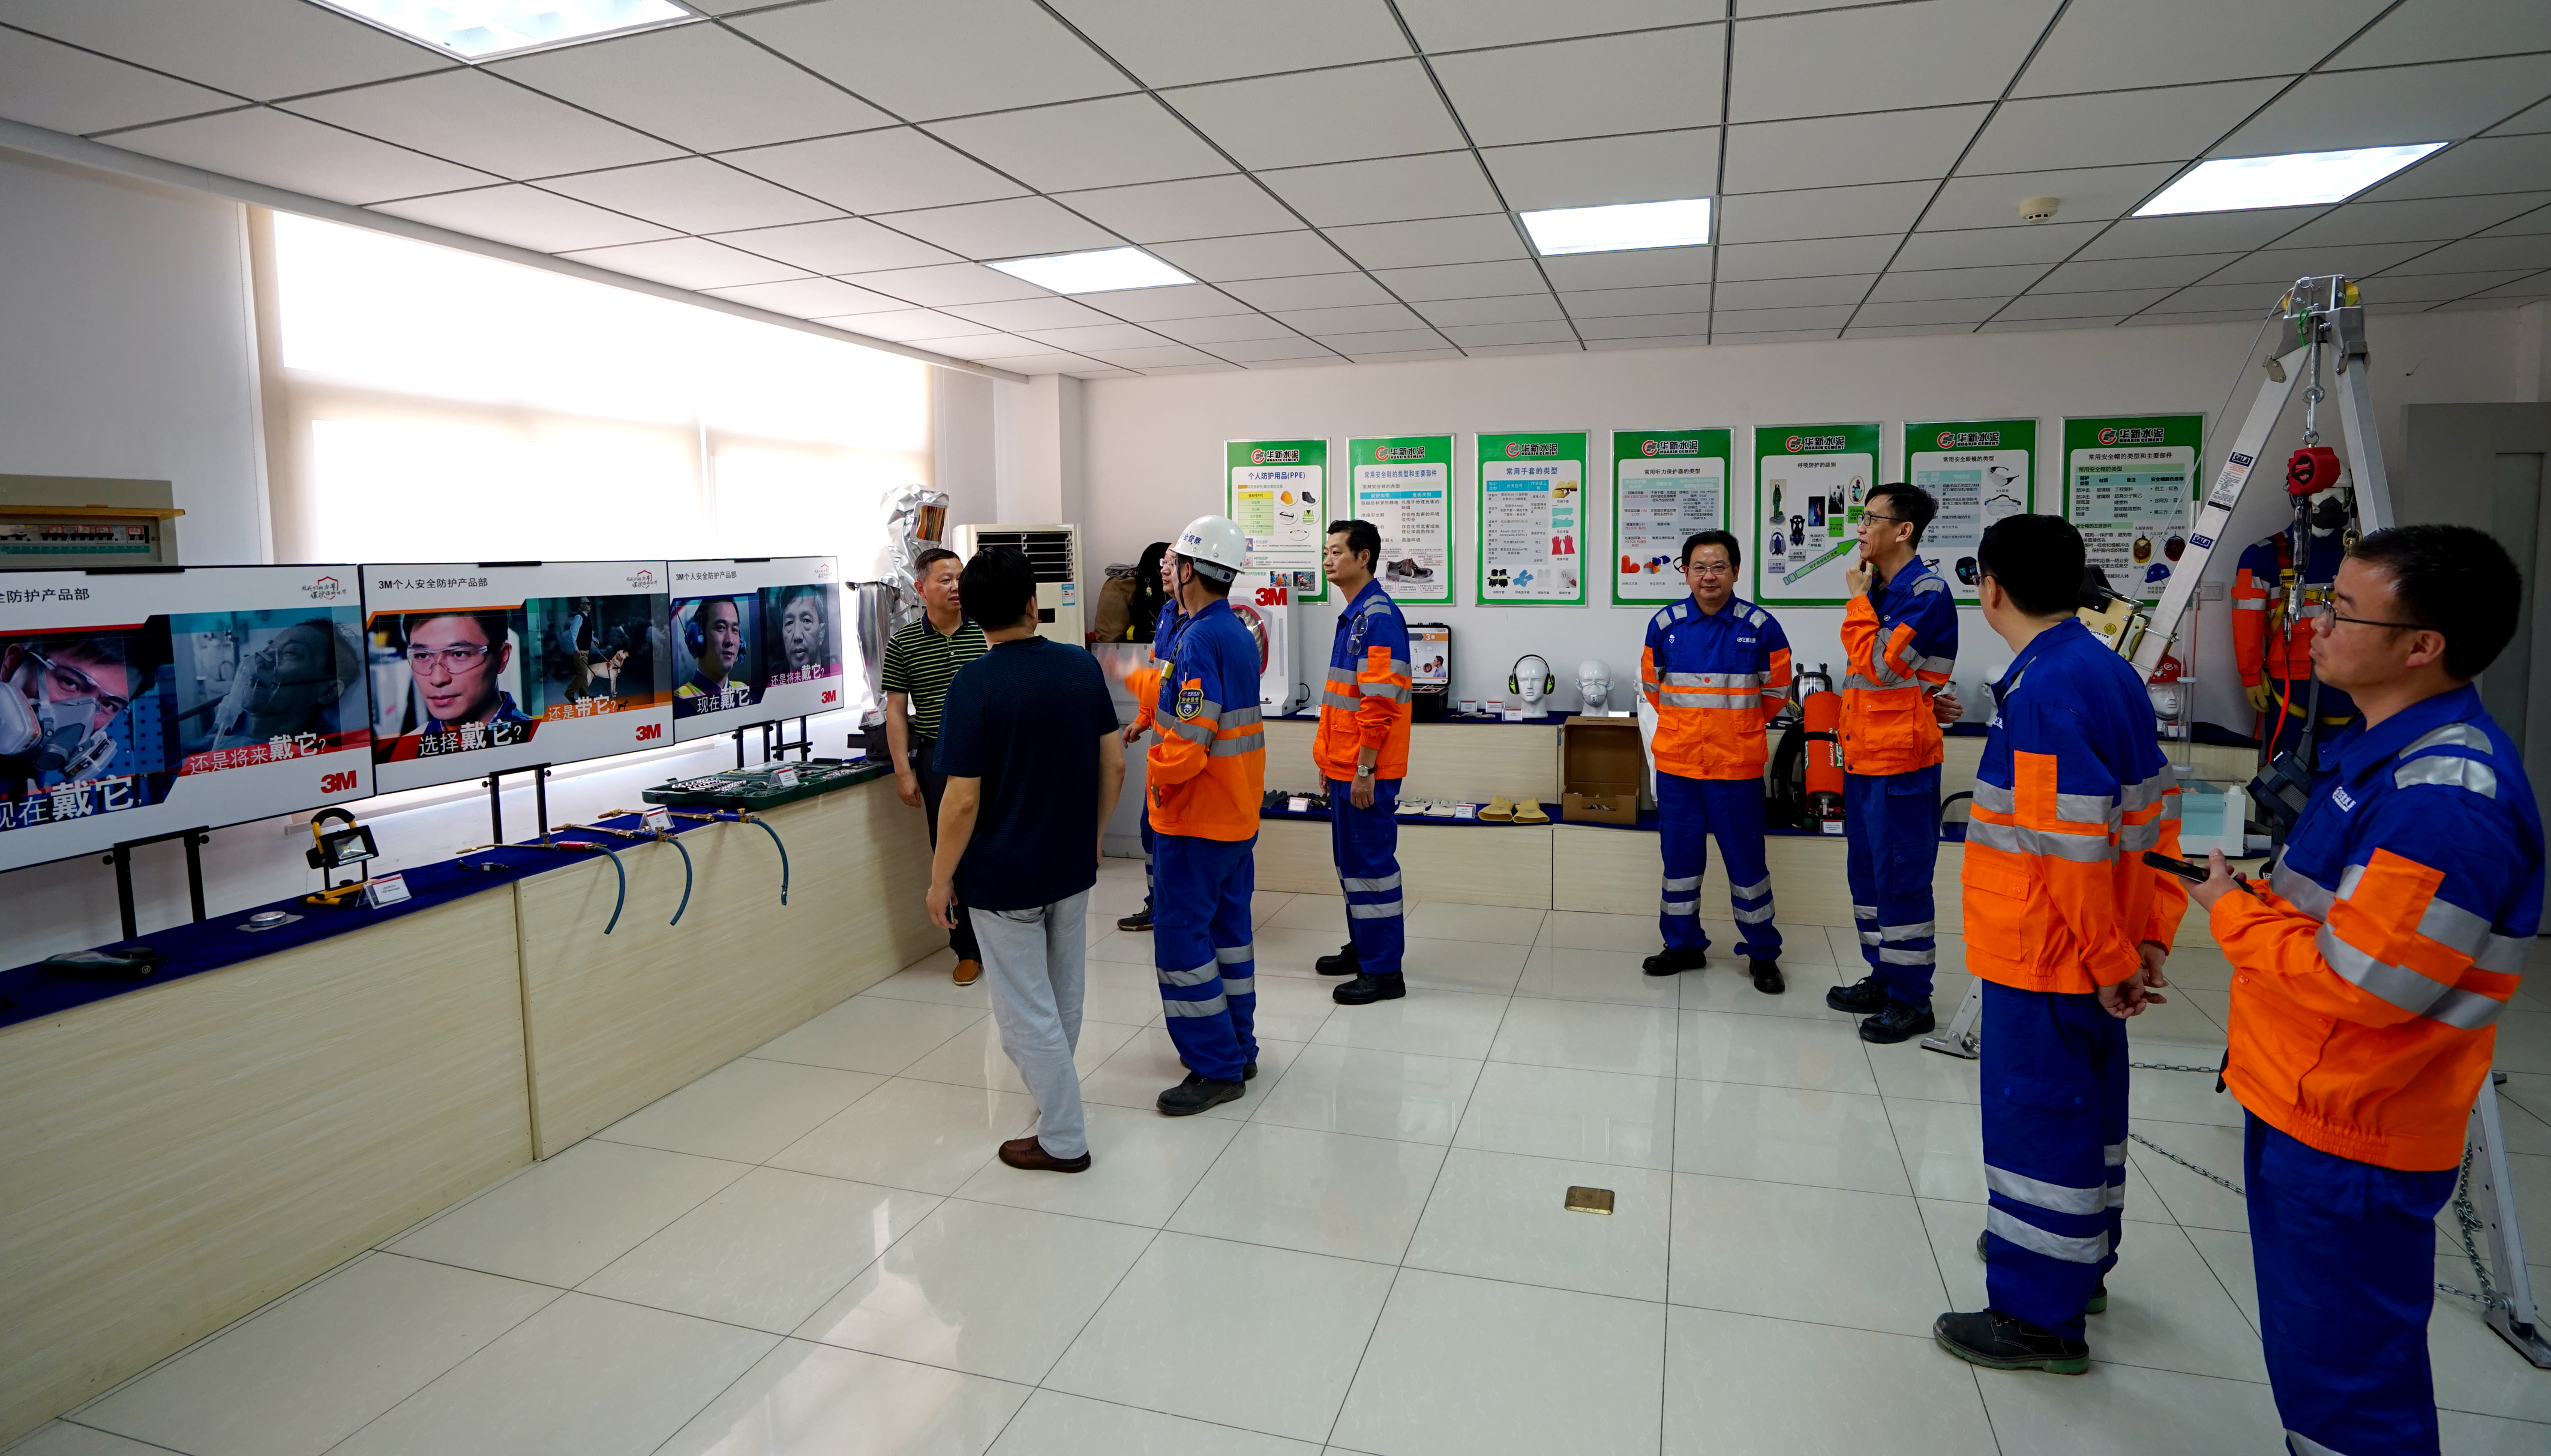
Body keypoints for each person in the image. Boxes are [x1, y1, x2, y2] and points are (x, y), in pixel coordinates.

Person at [2190, 525, 2539, 1456]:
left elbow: (2367, 982)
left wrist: (2232, 912)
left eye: (2343, 610)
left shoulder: (2443, 802)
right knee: (2322, 1370)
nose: (2315, 624)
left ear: (2422, 644)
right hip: (2312, 1097)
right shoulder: (2378, 756)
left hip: (2356, 1127)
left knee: (2350, 1390)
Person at [1933, 514, 2184, 1377]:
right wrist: (2145, 938)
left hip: (2048, 954)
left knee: (2037, 1126)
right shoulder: (2108, 671)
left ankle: (2037, 1313)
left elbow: (2066, 849)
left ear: (1990, 588)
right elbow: (2155, 819)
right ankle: (2080, 1261)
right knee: (2089, 1116)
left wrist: (2113, 958)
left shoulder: (2041, 689)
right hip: (2098, 943)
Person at [925, 545, 1126, 1174]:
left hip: (1002, 875)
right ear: (1034, 606)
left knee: (1022, 1013)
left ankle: (1063, 1136)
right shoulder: (1079, 666)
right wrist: (1094, 834)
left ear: (974, 615)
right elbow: (1115, 764)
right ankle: (1052, 1098)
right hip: (1070, 864)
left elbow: (961, 800)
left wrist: (939, 879)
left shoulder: (973, 684)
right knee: (1063, 996)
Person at [1826, 482, 1963, 1043]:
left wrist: (1857, 601)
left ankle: (1911, 998)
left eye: (1869, 518)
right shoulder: (1880, 589)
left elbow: (1882, 668)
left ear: (1903, 530)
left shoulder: (1925, 593)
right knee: (1867, 877)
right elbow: (1892, 678)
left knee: (1902, 880)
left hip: (1903, 764)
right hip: (1864, 759)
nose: (1859, 529)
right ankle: (1883, 977)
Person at [1145, 515, 1267, 1115]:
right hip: (1235, 814)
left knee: (1181, 938)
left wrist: (1155, 773)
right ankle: (1238, 1047)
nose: (1169, 572)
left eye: (1175, 563)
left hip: (1195, 818)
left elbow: (1190, 740)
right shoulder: (1236, 630)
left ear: (1190, 569)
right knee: (1228, 936)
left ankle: (1216, 1066)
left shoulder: (1197, 639)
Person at [1637, 529, 1791, 992]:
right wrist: (1692, 727)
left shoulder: (1761, 627)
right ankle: (1683, 945)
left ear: (1736, 572)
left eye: (1719, 566)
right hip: (1678, 768)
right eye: (1700, 567)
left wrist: (1733, 728)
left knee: (1748, 867)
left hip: (1735, 769)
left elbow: (1776, 693)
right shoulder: (1664, 625)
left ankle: (1762, 954)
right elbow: (1653, 688)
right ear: (1685, 572)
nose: (1709, 576)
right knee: (1679, 864)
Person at [1311, 519, 1415, 1005]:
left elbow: (1378, 705)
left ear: (1364, 557)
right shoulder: (1355, 615)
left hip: (1367, 770)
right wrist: (1331, 762)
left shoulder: (1378, 617)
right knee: (1351, 865)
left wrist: (1365, 770)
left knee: (1372, 867)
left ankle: (1384, 971)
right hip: (1346, 765)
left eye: (1337, 552)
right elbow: (1342, 702)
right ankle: (1365, 948)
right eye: (1326, 552)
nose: (1328, 560)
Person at [884, 548, 989, 985]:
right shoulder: (903, 643)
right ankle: (966, 948)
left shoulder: (984, 631)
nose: (956, 587)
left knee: (993, 845)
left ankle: (1004, 939)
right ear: (920, 588)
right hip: (938, 758)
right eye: (945, 579)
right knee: (949, 850)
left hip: (990, 755)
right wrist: (904, 771)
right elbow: (895, 710)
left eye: (960, 578)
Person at [2232, 499, 2358, 761]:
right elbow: (2246, 621)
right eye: (2324, 492)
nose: (2332, 500)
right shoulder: (2261, 555)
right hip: (2289, 680)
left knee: (2346, 760)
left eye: (2341, 490)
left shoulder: (2365, 555)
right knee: (2286, 764)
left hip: (2350, 675)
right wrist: (2251, 676)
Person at [1116, 542, 1184, 933]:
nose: (1164, 569)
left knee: (1177, 833)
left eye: (1173, 563)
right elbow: (1159, 677)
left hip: (1185, 751)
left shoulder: (1200, 624)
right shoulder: (1167, 615)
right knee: (1151, 828)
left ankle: (1178, 907)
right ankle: (1157, 903)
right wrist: (1143, 718)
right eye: (1163, 562)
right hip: (1160, 746)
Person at [211, 619, 359, 750]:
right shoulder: (213, 744)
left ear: (329, 692)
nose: (261, 660)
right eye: (267, 650)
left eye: (291, 652)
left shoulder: (309, 763)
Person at [403, 611, 533, 743]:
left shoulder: (537, 740)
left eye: (459, 654)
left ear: (502, 658)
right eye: (422, 656)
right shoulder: (404, 749)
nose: (437, 679)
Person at [675, 598, 753, 712]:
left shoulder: (743, 691)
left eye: (735, 630)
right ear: (698, 638)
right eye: (720, 628)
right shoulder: (681, 702)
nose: (730, 640)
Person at [773, 584, 833, 680]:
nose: (797, 636)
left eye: (806, 620)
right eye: (789, 623)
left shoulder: (835, 673)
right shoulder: (771, 682)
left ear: (821, 633)